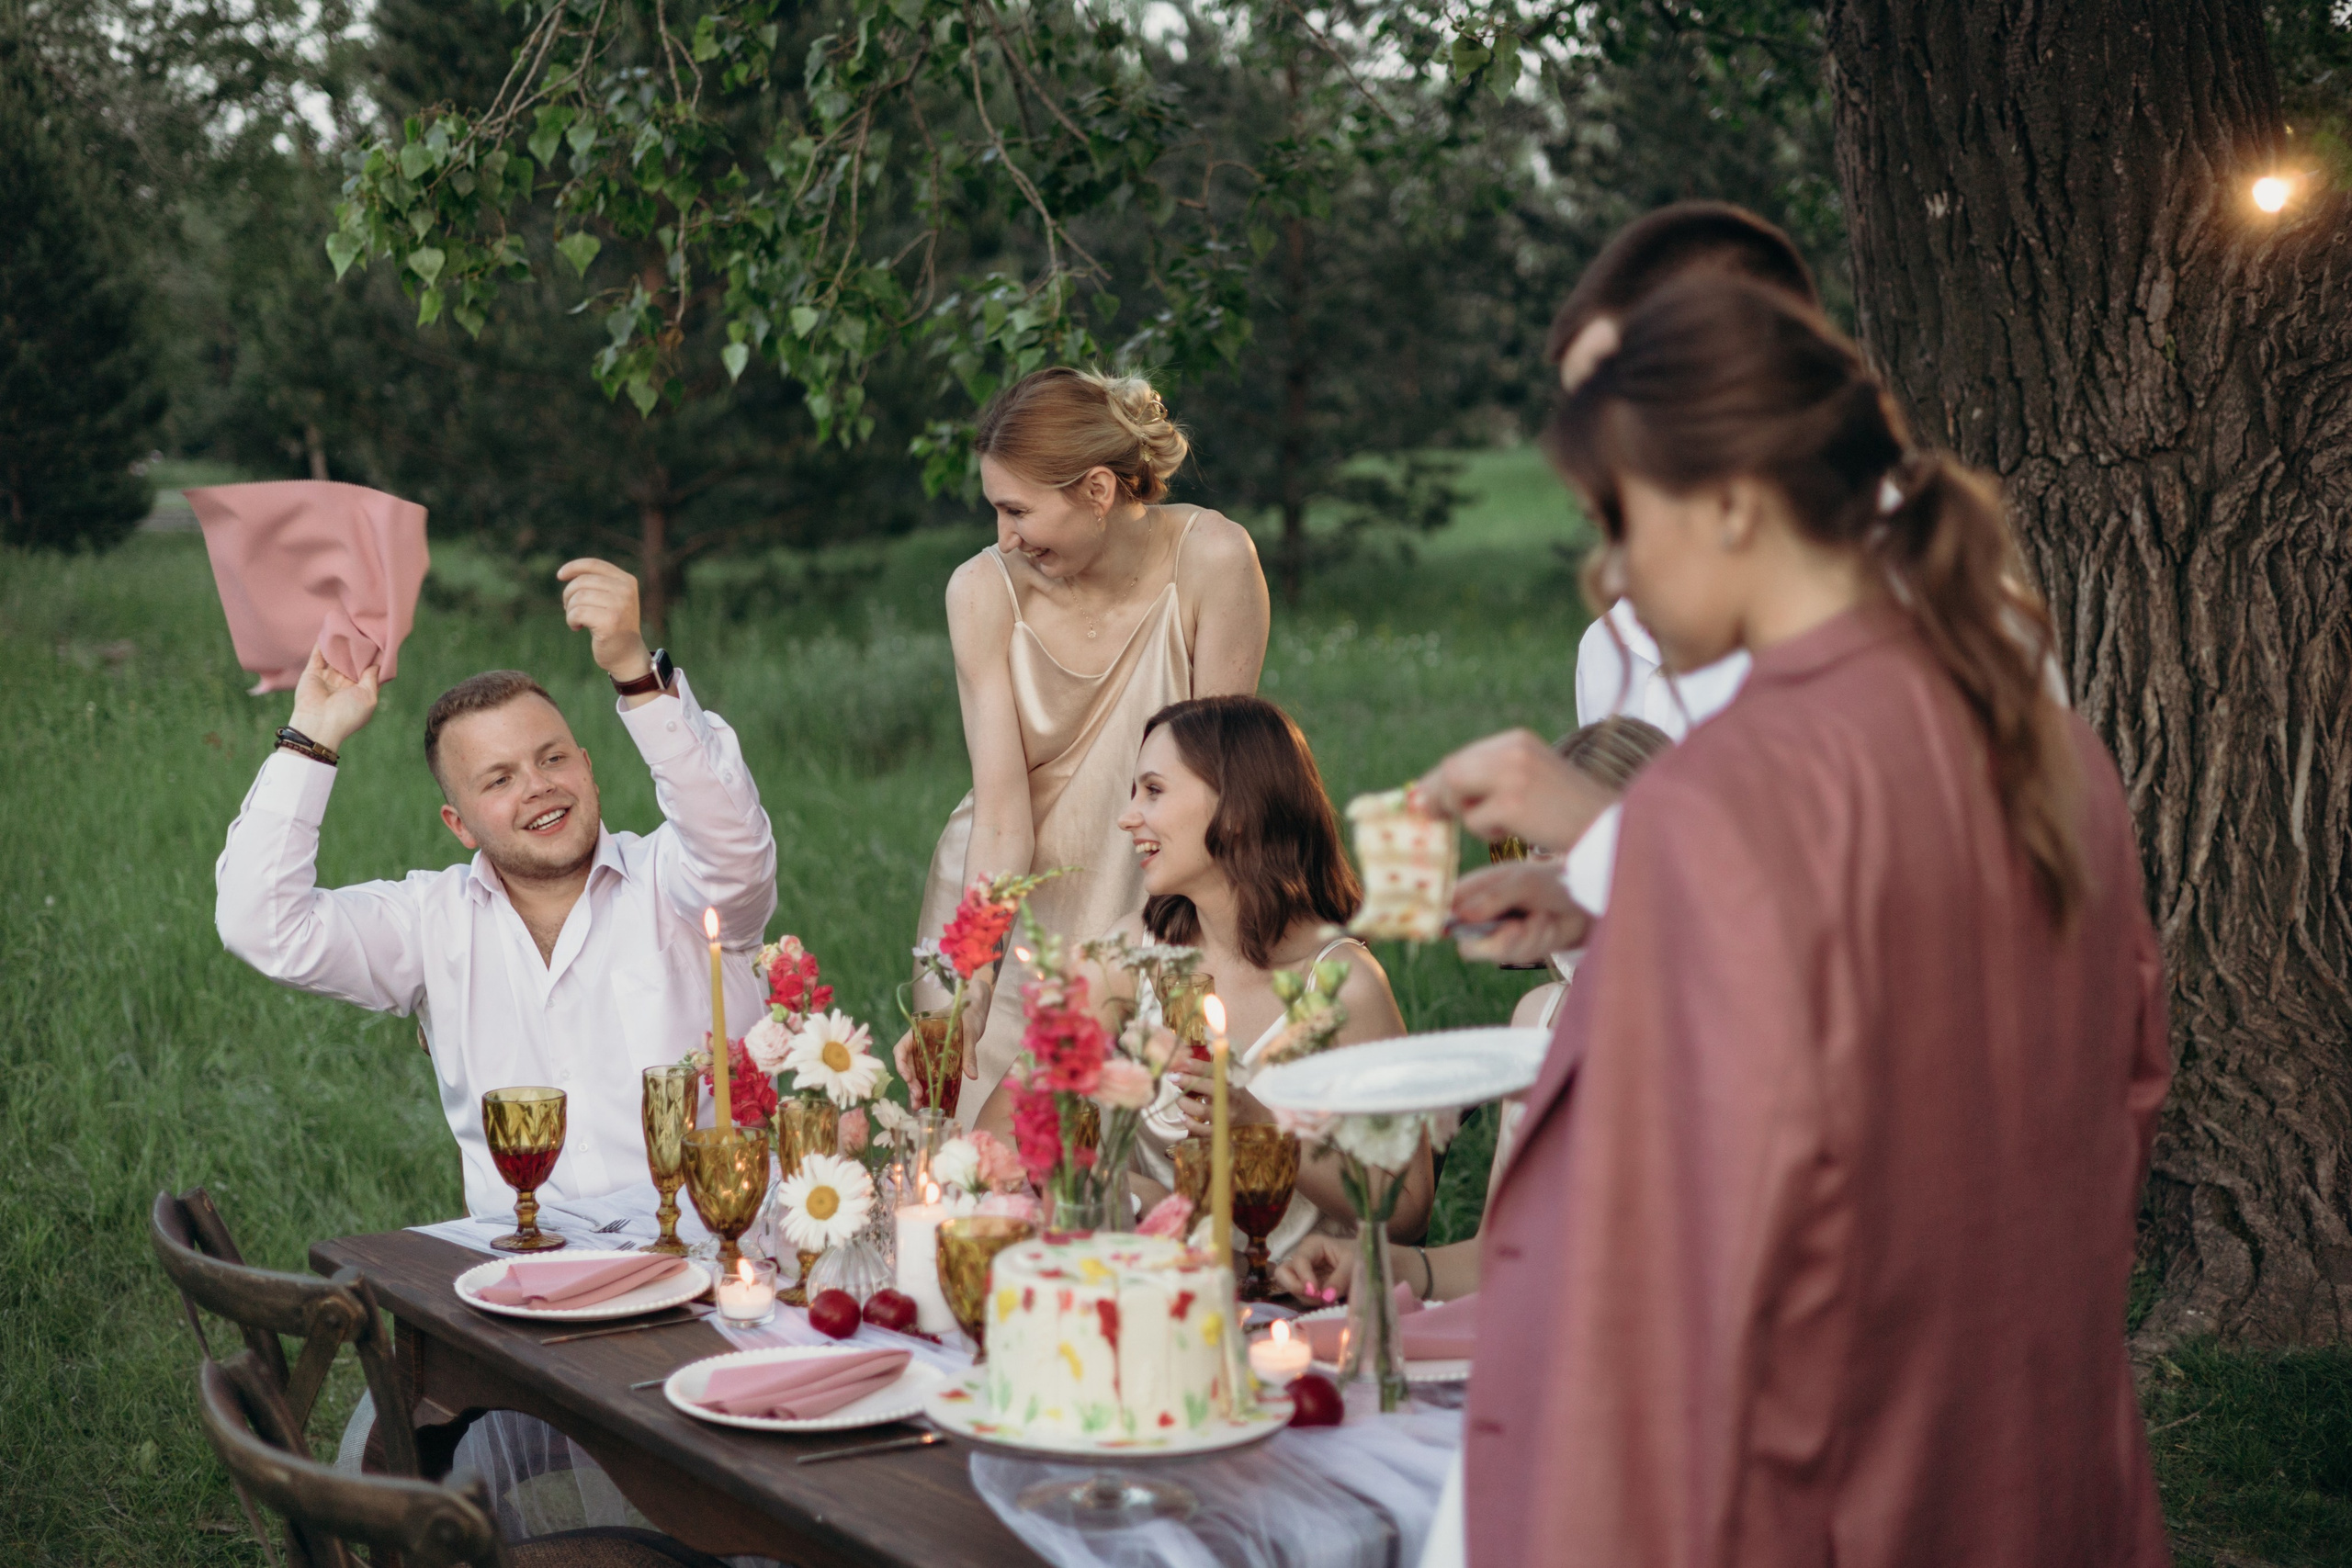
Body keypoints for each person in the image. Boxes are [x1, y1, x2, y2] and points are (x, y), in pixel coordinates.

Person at [1419, 280, 2171, 1566]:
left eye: (1619, 518)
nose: (1608, 569)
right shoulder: (2050, 745)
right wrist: (1616, 871)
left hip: (1810, 1475)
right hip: (2025, 1445)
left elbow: (1681, 1231)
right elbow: (2108, 1076)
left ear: (1726, 502)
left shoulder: (1732, 792)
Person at [215, 559, 777, 1220]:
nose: (537, 786)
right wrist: (312, 733)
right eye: (499, 779)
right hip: (528, 1286)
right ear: (460, 825)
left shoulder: (679, 883)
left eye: (552, 758)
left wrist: (633, 667)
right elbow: (262, 925)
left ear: (589, 771)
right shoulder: (432, 923)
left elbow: (735, 846)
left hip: (717, 1261)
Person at [910, 368, 1271, 1123]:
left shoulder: (1216, 561)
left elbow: (1225, 794)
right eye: (996, 510)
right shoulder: (981, 592)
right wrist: (970, 977)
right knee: (987, 1179)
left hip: (1161, 889)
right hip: (1007, 904)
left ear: (1099, 491)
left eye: (1017, 510)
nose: (1004, 536)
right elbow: (1002, 817)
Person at [985, 694, 1432, 1247]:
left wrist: (1262, 1124)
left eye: (1153, 790)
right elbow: (1005, 1122)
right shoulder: (1135, 953)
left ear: (1236, 809)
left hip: (1291, 1309)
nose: (1128, 818)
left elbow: (1409, 1208)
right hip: (1155, 1291)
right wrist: (1116, 1186)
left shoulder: (1343, 987)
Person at [1272, 716, 1669, 1307]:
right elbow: (1500, 1255)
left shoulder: (1707, 1022)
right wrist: (1381, 1264)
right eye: (1538, 848)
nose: (1550, 875)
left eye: (1580, 848)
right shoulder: (1539, 1016)